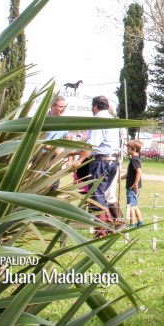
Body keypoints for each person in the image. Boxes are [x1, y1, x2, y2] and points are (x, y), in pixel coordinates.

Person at [73, 95, 122, 237]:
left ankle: (102, 232)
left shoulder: (98, 120)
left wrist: (79, 160)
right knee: (101, 196)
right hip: (112, 161)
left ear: (95, 107)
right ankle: (109, 227)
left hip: (101, 162)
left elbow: (92, 145)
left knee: (96, 196)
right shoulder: (112, 120)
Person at [125, 139, 144, 227]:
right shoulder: (136, 159)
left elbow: (139, 172)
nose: (127, 150)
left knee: (131, 205)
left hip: (132, 187)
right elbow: (129, 174)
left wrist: (135, 184)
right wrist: (118, 178)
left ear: (134, 149)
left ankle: (132, 223)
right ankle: (140, 222)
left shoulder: (134, 160)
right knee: (135, 205)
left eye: (128, 148)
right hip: (135, 186)